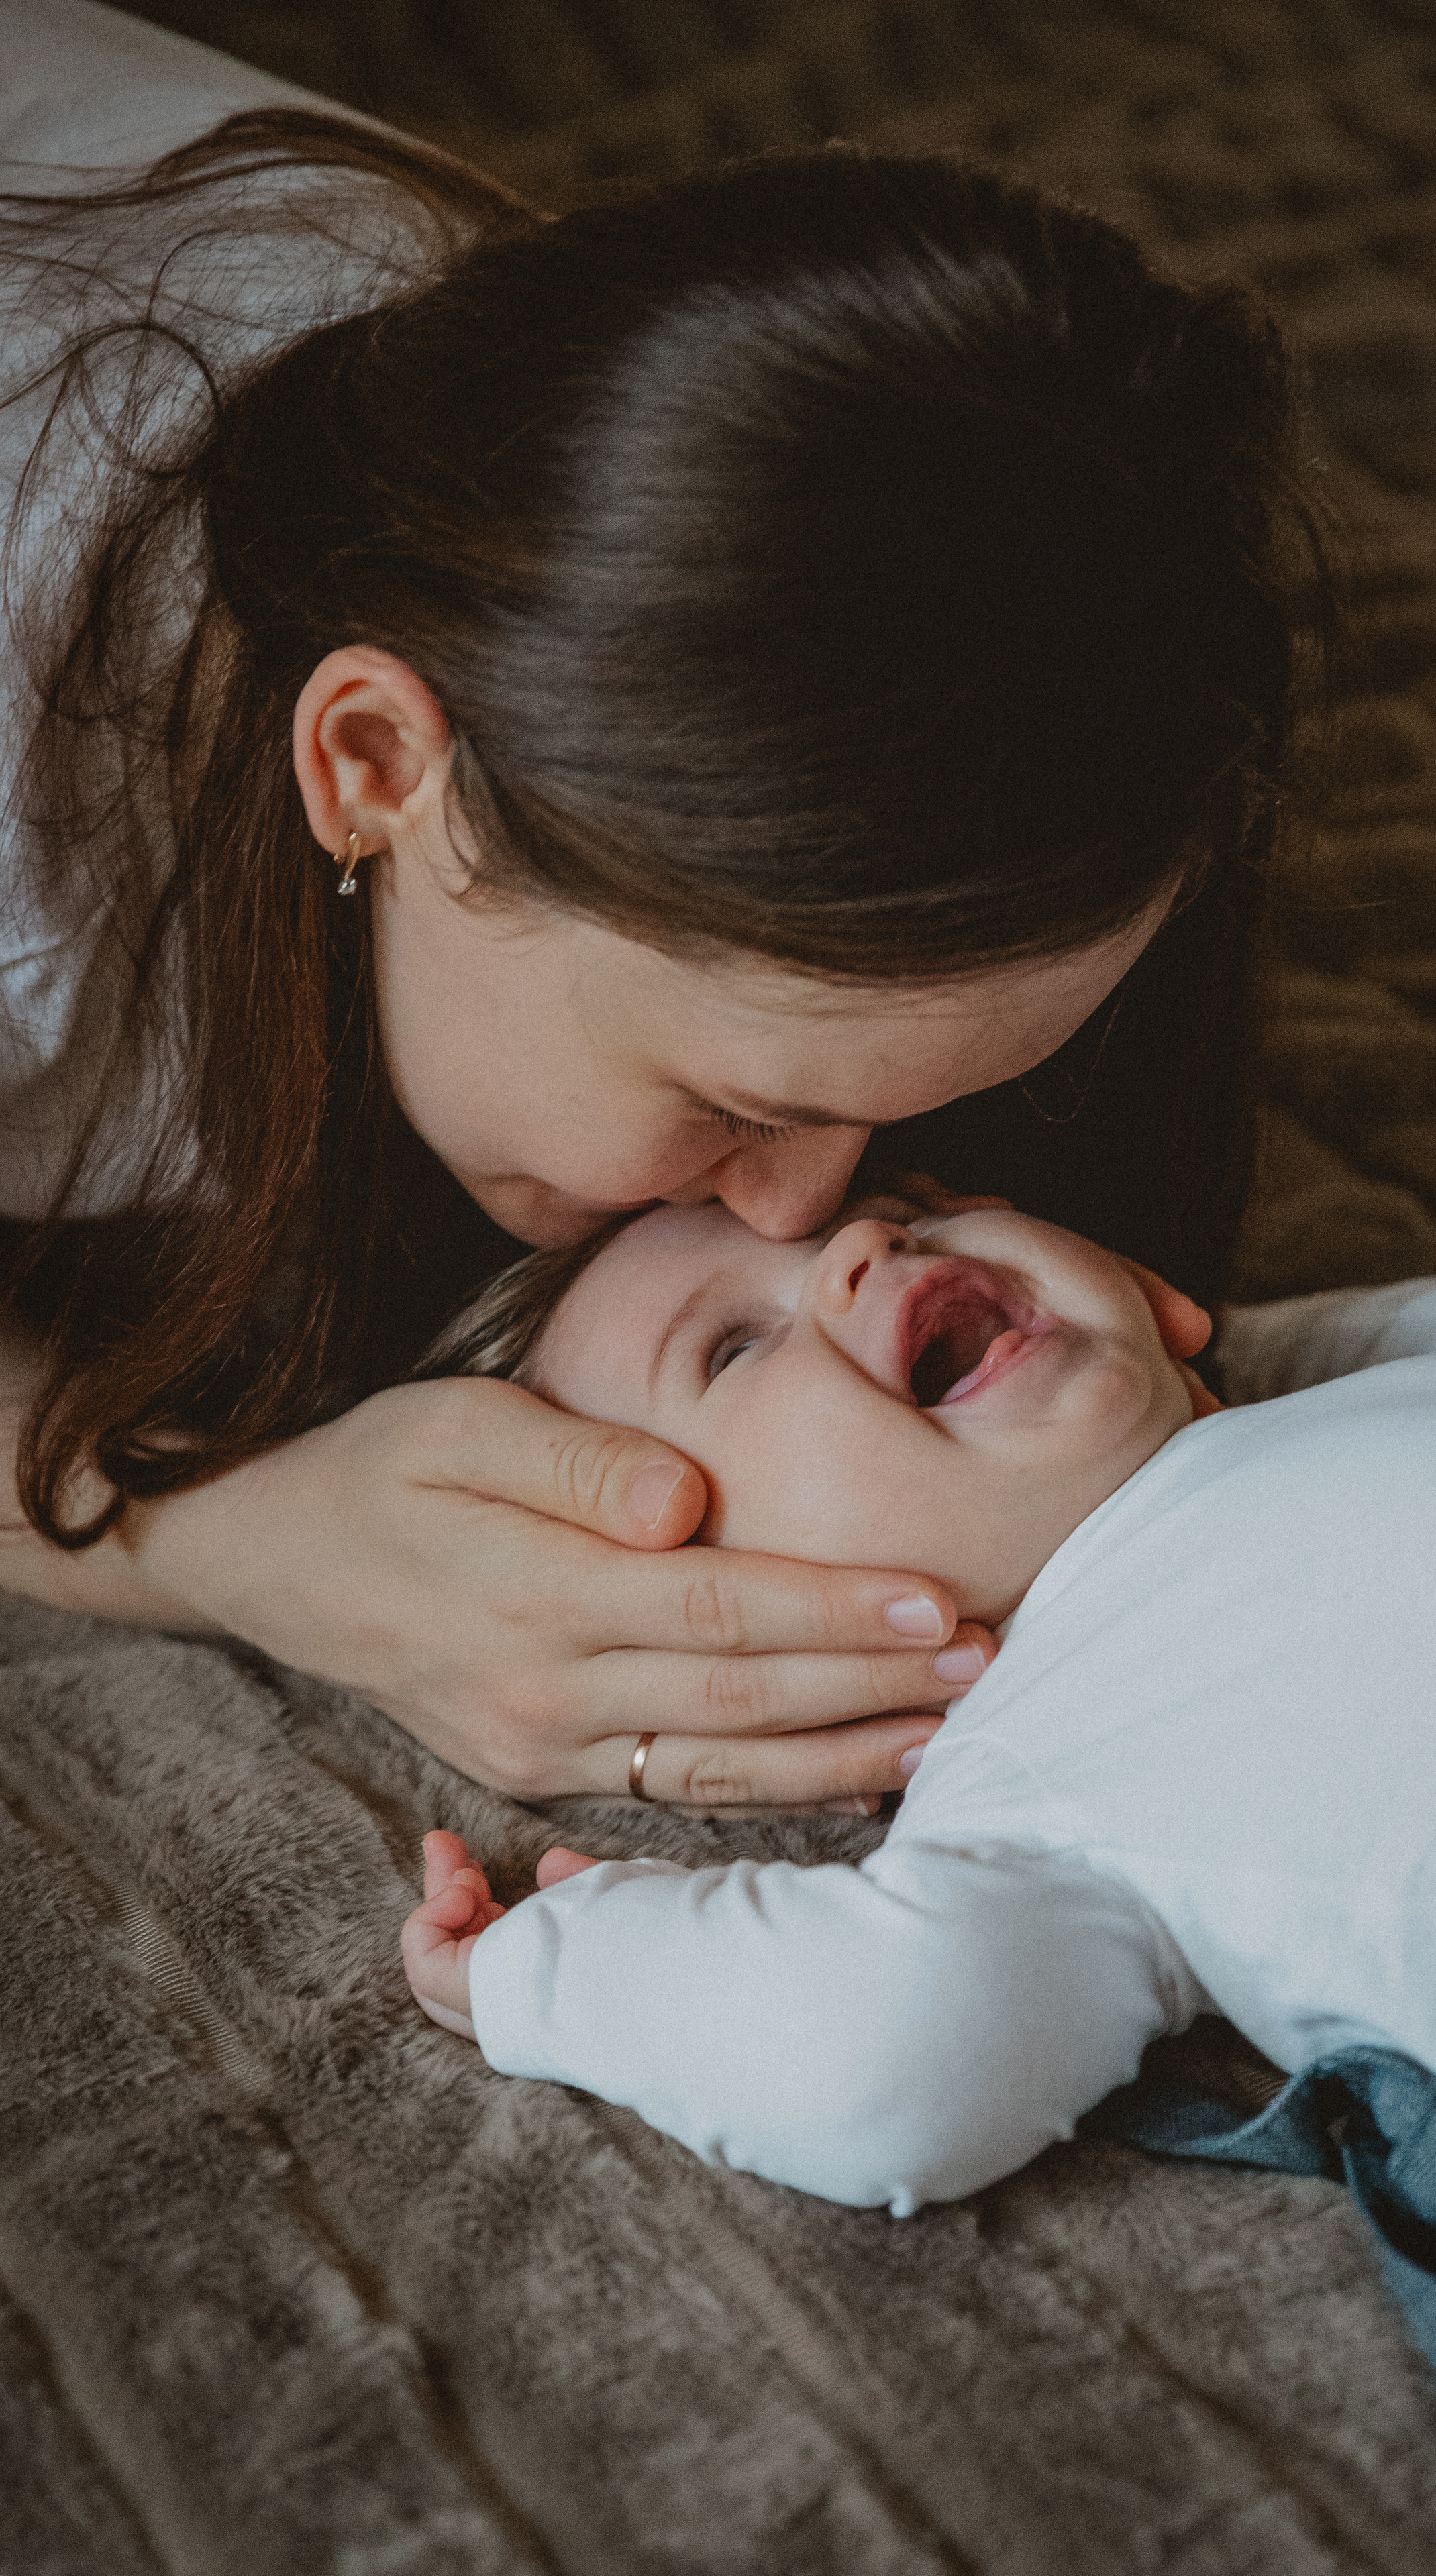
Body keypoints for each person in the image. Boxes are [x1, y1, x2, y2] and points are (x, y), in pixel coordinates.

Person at [0, 0, 1324, 1809]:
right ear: (380, 768)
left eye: (927, 1134)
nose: (823, 1210)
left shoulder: (672, 510)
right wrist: (211, 1537)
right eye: (737, 1100)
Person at [400, 1193, 1436, 2347]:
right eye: (733, 1345)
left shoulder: (1319, 1413)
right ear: (718, 1637)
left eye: (907, 1205)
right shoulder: (1029, 1758)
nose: (864, 1246)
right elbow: (878, 2054)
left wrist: (1207, 1347)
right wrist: (556, 1967)